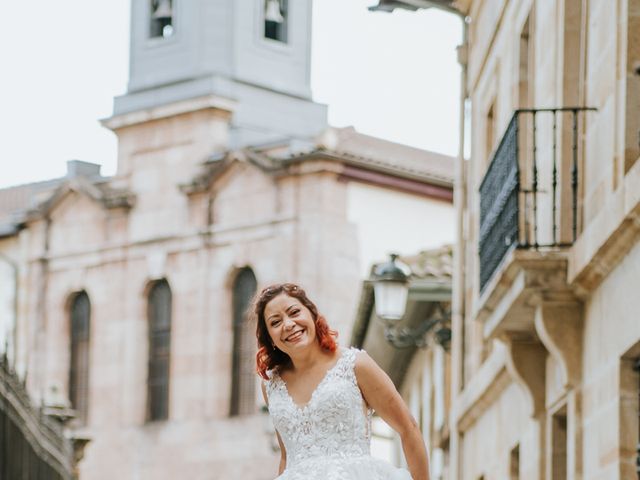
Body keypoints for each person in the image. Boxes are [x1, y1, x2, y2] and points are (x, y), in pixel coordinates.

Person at [254, 282, 430, 480]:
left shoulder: (355, 364)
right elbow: (287, 456)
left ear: (312, 314)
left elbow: (408, 428)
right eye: (275, 322)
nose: (287, 324)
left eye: (294, 312)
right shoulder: (271, 385)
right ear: (270, 338)